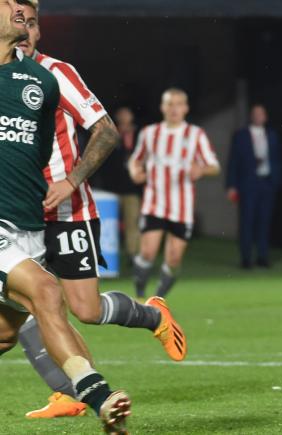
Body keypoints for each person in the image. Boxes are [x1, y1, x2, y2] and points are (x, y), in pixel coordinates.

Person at [16, 0, 187, 422]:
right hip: (20, 214)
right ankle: (70, 391)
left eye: (34, 25)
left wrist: (70, 181)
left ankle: (153, 315)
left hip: (69, 211)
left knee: (86, 311)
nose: (26, 32)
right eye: (20, 22)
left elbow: (106, 131)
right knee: (26, 304)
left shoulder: (57, 74)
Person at [0, 1, 131, 433]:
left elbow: (36, 152)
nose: (22, 11)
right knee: (48, 294)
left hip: (32, 225)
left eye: (29, 8)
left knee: (6, 333)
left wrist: (61, 183)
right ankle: (99, 397)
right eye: (11, 4)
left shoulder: (42, 79)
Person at [129, 88, 220, 298]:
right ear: (162, 107)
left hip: (182, 208)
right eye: (170, 104)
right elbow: (136, 158)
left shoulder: (195, 134)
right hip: (154, 203)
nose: (174, 108)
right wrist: (135, 171)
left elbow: (214, 166)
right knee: (148, 252)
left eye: (179, 104)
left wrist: (202, 169)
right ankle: (140, 293)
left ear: (186, 108)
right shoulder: (150, 133)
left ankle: (159, 299)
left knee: (174, 259)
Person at [225, 104, 282, 269]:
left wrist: (276, 180)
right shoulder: (241, 135)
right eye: (255, 113)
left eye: (261, 114)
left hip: (266, 183)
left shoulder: (271, 135)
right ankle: (246, 258)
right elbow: (233, 161)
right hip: (248, 184)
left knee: (264, 222)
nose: (258, 116)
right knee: (247, 221)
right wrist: (231, 185)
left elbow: (277, 159)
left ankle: (263, 257)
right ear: (252, 116)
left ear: (265, 116)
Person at [95, 106, 143, 262]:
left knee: (132, 223)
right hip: (111, 188)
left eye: (126, 113)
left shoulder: (139, 134)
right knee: (108, 223)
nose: (123, 116)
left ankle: (132, 254)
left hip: (131, 188)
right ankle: (105, 253)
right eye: (121, 113)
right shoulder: (111, 132)